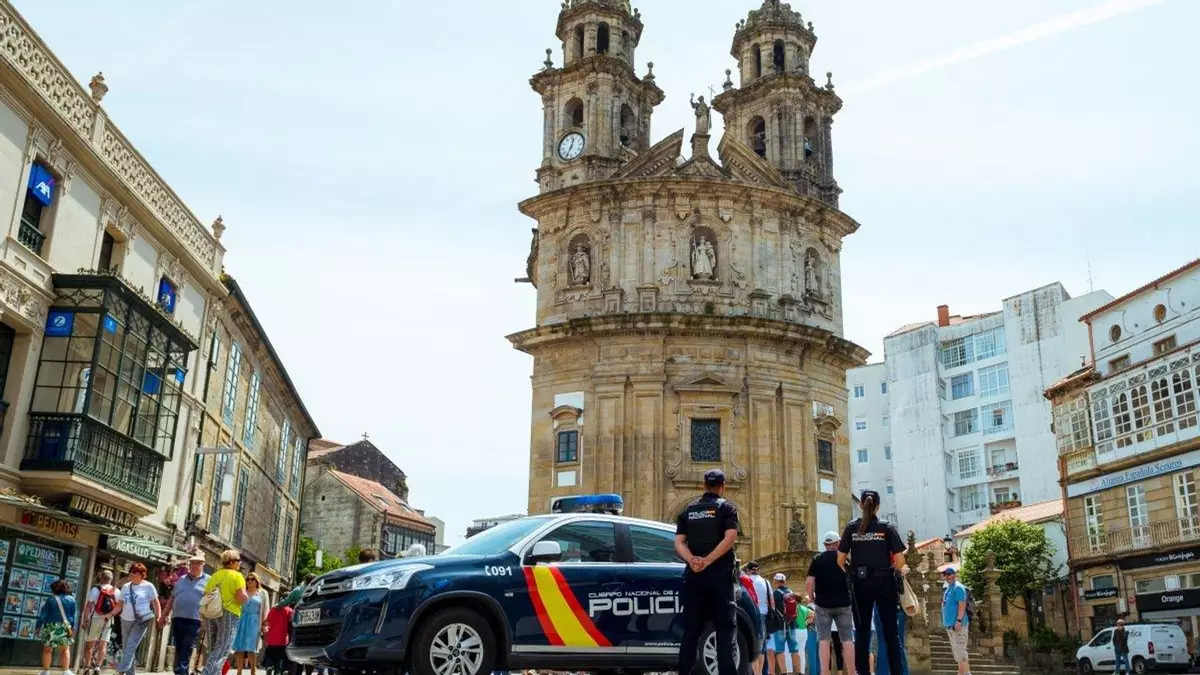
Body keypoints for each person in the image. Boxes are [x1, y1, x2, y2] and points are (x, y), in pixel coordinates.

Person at [674, 469, 740, 675]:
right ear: (723, 487)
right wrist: (708, 561)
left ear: (704, 485)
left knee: (691, 633)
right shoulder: (726, 508)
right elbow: (730, 537)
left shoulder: (688, 510)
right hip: (720, 578)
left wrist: (693, 560)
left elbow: (679, 542)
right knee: (725, 632)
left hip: (694, 577)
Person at [838, 490, 905, 675]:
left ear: (861, 505)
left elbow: (840, 560)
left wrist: (852, 571)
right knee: (891, 633)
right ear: (878, 506)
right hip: (885, 583)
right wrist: (893, 571)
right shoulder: (886, 527)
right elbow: (900, 560)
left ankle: (863, 672)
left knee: (862, 632)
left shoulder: (851, 528)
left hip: (861, 584)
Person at [807, 531, 856, 675]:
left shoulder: (817, 559)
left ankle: (825, 672)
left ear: (825, 544)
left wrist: (811, 597)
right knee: (847, 639)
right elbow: (853, 580)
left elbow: (809, 582)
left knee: (824, 639)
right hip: (844, 604)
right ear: (838, 543)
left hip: (823, 604)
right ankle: (852, 672)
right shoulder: (844, 559)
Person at [202, 550, 249, 675]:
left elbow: (205, 594)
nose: (240, 563)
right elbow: (241, 598)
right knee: (223, 647)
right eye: (238, 560)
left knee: (213, 647)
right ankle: (207, 673)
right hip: (229, 612)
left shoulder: (215, 575)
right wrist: (246, 597)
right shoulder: (237, 576)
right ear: (232, 562)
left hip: (211, 613)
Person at [162, 555, 210, 675]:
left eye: (198, 563)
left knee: (187, 646)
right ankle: (182, 671)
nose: (194, 566)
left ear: (203, 565)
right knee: (179, 646)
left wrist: (208, 619)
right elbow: (172, 598)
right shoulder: (181, 579)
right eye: (192, 563)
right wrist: (164, 615)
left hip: (195, 620)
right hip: (177, 618)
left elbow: (211, 601)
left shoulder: (209, 580)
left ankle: (181, 671)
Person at [116, 563, 162, 675]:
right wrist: (109, 614)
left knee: (131, 645)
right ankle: (130, 673)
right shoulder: (126, 587)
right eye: (130, 572)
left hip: (141, 620)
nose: (131, 574)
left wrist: (159, 617)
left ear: (142, 574)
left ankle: (121, 670)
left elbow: (156, 603)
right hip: (125, 620)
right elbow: (120, 605)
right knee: (127, 647)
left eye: (134, 572)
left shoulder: (149, 586)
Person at [82, 570, 121, 675]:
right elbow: (119, 607)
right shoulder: (116, 591)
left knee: (89, 644)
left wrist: (85, 621)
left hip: (94, 619)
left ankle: (87, 668)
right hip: (107, 620)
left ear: (101, 578)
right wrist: (110, 615)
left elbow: (88, 606)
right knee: (103, 645)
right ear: (111, 579)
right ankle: (98, 667)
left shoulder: (95, 589)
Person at [37, 579, 78, 675]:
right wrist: (73, 627)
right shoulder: (71, 599)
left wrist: (38, 626)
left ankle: (46, 671)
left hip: (50, 626)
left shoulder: (51, 600)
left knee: (47, 650)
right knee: (65, 649)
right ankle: (66, 671)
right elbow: (73, 615)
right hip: (65, 626)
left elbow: (43, 614)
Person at [232, 574, 267, 675]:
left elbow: (266, 609)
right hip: (242, 619)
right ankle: (239, 671)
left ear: (257, 581)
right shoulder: (242, 591)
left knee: (251, 647)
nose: (249, 581)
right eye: (248, 579)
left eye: (252, 579)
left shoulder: (263, 593)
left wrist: (264, 624)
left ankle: (253, 669)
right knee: (240, 647)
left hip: (255, 621)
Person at [769, 574, 804, 675]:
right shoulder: (791, 593)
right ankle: (798, 672)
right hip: (791, 625)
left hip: (780, 626)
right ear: (784, 582)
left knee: (780, 651)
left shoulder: (775, 594)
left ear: (776, 582)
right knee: (794, 650)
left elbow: (771, 609)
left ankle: (784, 672)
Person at [744, 561, 772, 675]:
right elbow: (771, 601)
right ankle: (759, 672)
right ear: (758, 569)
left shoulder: (746, 580)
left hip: (751, 614)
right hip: (764, 614)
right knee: (762, 647)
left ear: (748, 570)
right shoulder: (766, 582)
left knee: (753, 645)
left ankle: (756, 673)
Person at [940, 568, 970, 675]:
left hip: (958, 624)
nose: (948, 576)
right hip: (950, 625)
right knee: (957, 650)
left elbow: (962, 605)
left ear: (954, 575)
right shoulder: (948, 588)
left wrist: (959, 621)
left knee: (960, 649)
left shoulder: (958, 587)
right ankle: (962, 672)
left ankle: (965, 673)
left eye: (949, 574)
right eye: (946, 575)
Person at [263, 597, 294, 675]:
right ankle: (277, 671)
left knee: (269, 655)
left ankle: (269, 666)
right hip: (282, 639)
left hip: (271, 638)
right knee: (279, 658)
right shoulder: (289, 610)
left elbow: (268, 621)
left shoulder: (273, 609)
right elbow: (290, 625)